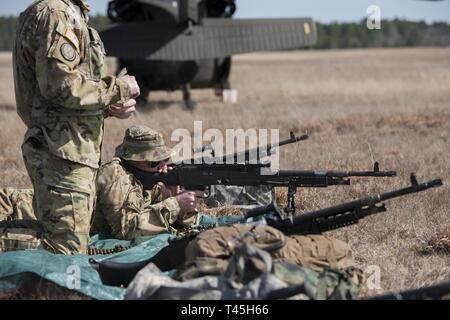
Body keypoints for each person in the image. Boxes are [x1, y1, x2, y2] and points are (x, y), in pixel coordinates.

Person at [13, 0, 140, 254]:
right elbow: (60, 86)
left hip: (71, 152)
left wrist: (108, 107)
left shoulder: (70, 12)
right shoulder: (56, 13)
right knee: (66, 255)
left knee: (68, 245)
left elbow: (57, 100)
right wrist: (118, 88)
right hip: (61, 154)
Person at [93, 125, 204, 240]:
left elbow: (181, 224)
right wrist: (175, 203)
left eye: (165, 159)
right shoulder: (117, 177)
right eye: (154, 162)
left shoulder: (148, 181)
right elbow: (126, 231)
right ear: (133, 160)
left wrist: (173, 195)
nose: (163, 166)